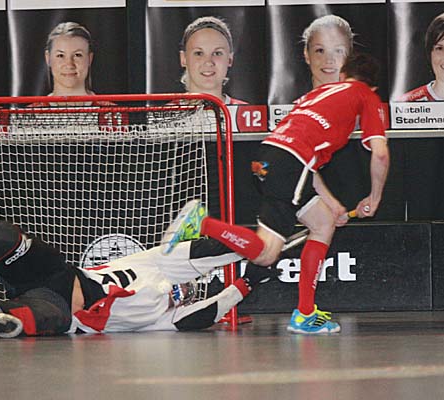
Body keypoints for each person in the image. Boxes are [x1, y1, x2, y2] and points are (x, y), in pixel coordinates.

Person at [163, 53, 390, 334]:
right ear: (373, 86)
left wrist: (333, 205)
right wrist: (375, 197)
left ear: (342, 75)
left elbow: (305, 165)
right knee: (266, 254)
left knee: (323, 223)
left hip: (269, 157)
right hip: (290, 164)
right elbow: (380, 154)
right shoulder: (366, 95)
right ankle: (203, 224)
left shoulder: (319, 93)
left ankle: (305, 312)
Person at [0, 175, 276, 338]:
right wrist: (259, 251)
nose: (190, 291)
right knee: (2, 239)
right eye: (193, 286)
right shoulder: (161, 264)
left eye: (193, 291)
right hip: (60, 273)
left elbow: (202, 316)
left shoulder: (165, 317)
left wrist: (244, 286)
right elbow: (208, 251)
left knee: (44, 319)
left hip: (66, 310)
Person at [179, 16, 247, 105]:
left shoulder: (245, 111)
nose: (208, 62)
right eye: (199, 53)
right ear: (183, 59)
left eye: (217, 53)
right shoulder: (168, 112)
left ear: (230, 59)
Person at [301, 15, 354, 91]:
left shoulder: (365, 97)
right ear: (306, 54)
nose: (329, 60)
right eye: (320, 50)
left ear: (350, 56)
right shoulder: (291, 97)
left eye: (338, 51)